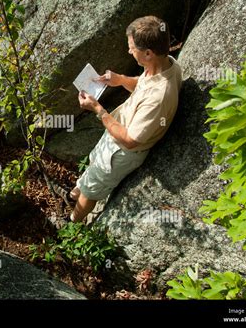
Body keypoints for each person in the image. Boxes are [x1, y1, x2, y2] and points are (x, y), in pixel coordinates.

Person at [69, 15, 182, 222]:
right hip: (115, 134)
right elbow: (142, 84)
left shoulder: (159, 97)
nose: (129, 51)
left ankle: (71, 222)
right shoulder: (167, 64)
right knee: (93, 165)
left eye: (132, 48)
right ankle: (76, 191)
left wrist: (97, 109)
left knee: (91, 192)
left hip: (120, 151)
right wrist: (120, 80)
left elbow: (131, 140)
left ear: (148, 53)